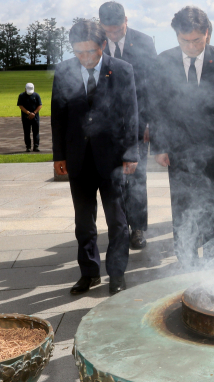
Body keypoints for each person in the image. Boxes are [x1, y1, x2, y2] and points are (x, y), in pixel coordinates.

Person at [150, 6, 214, 268]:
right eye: (184, 40)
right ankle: (187, 263)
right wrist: (160, 145)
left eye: (197, 40)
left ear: (207, 34)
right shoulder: (164, 61)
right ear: (176, 36)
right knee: (182, 208)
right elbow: (156, 107)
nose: (191, 46)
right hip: (178, 149)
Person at [52, 20, 138, 295]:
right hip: (78, 158)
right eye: (79, 52)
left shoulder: (122, 70)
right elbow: (58, 116)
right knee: (83, 222)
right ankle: (89, 273)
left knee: (117, 220)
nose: (85, 58)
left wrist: (131, 153)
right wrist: (59, 155)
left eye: (90, 51)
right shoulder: (64, 70)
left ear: (102, 45)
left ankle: (116, 274)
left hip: (112, 159)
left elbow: (131, 114)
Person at [99, 1, 157, 250]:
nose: (113, 35)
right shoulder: (97, 43)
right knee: (113, 180)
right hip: (106, 127)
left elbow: (153, 85)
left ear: (126, 20)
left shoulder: (144, 42)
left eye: (117, 29)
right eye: (108, 31)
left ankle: (138, 228)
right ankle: (119, 226)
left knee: (137, 179)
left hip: (138, 123)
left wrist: (149, 122)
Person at [17, 83, 42, 152]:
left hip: (35, 117)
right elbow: (20, 106)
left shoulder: (36, 95)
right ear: (25, 89)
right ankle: (28, 147)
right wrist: (28, 113)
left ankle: (36, 146)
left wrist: (34, 113)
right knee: (27, 132)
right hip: (26, 117)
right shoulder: (21, 96)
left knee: (36, 132)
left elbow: (40, 105)